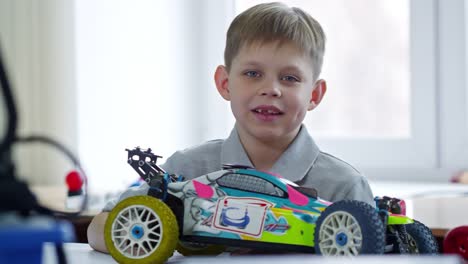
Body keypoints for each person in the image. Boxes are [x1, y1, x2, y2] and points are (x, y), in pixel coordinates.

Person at [87, 2, 375, 253]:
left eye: (289, 78)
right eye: (253, 73)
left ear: (314, 95)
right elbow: (100, 229)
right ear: (225, 84)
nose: (270, 89)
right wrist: (171, 233)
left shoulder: (344, 186)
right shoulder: (187, 168)